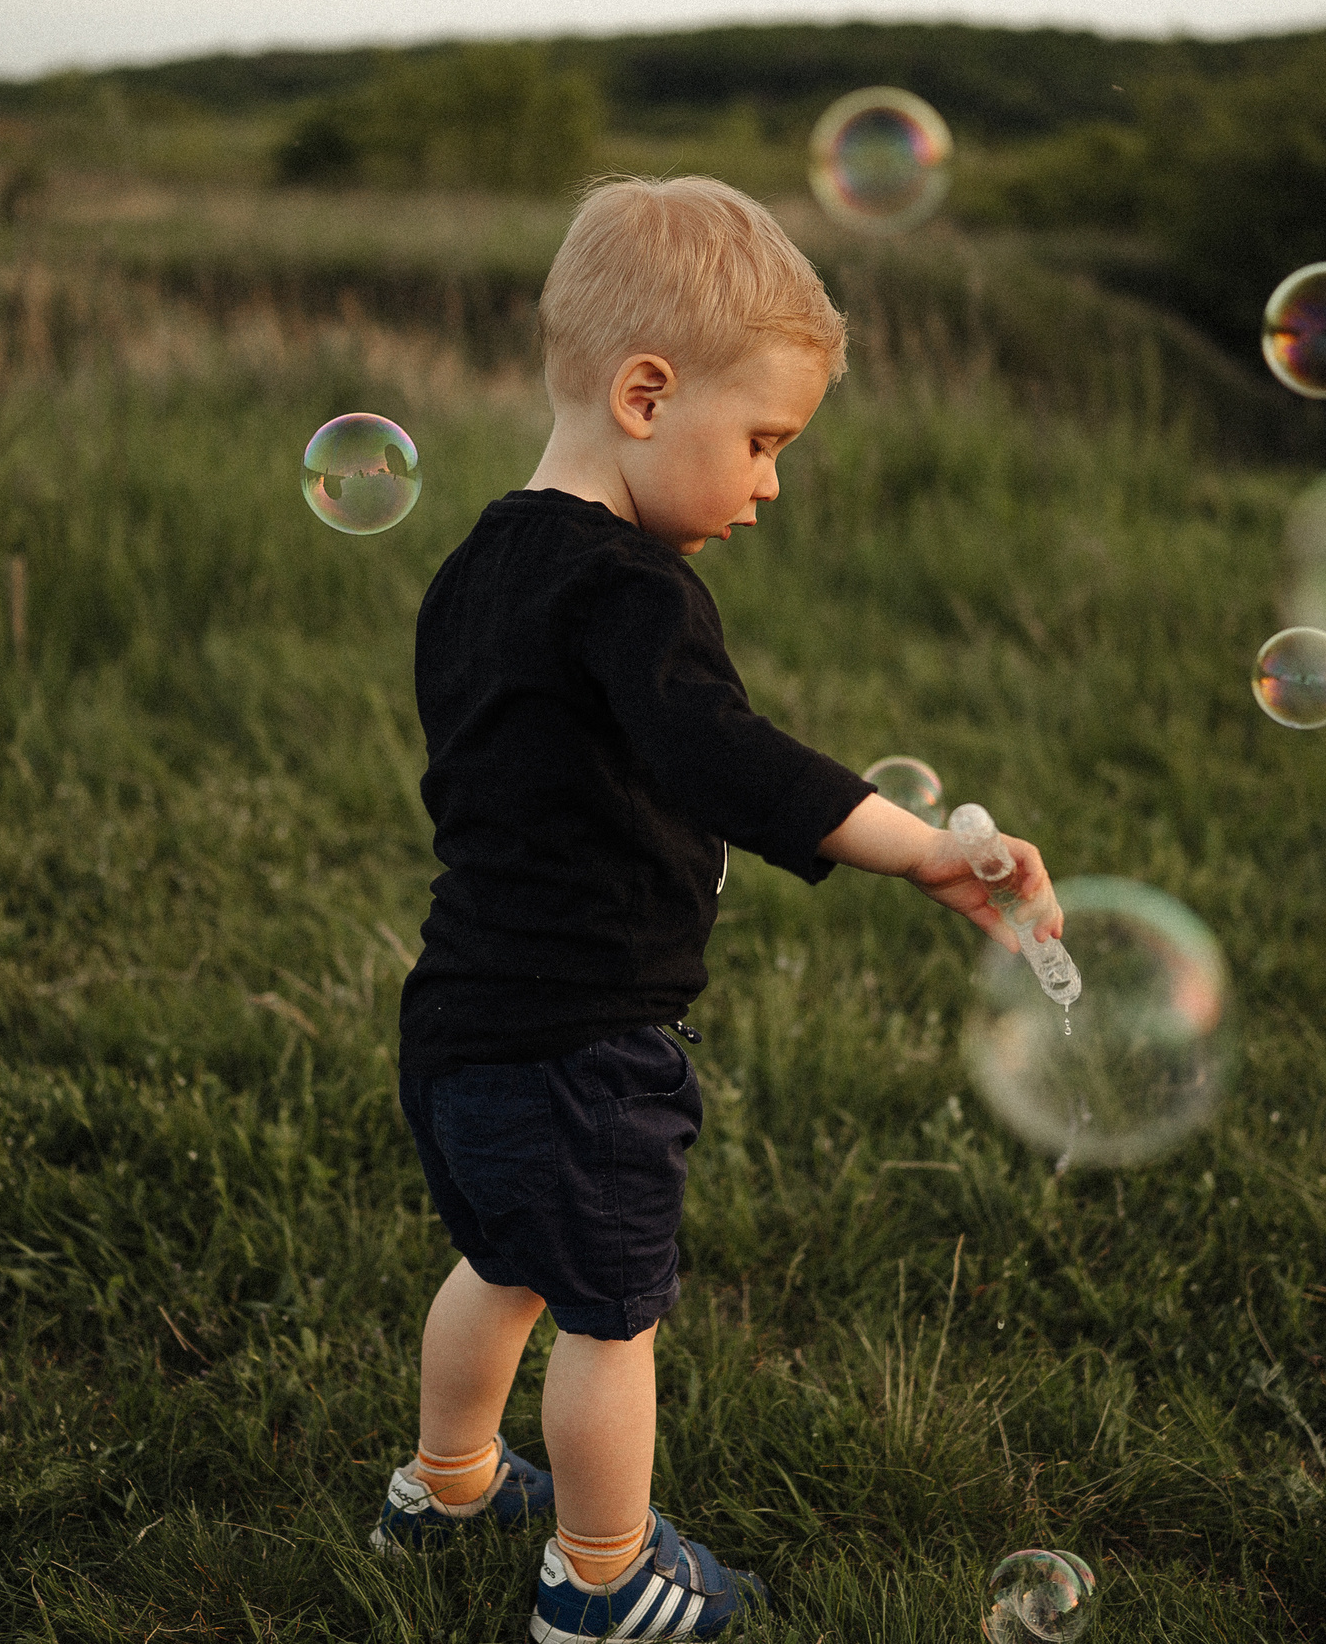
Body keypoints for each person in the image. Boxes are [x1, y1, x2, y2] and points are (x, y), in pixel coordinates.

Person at [374, 173, 1060, 1642]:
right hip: (583, 1042)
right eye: (760, 441)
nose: (766, 485)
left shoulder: (480, 565)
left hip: (462, 1025)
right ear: (643, 393)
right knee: (611, 1317)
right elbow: (718, 753)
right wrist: (922, 846)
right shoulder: (631, 591)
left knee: (500, 1264)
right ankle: (603, 1582)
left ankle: (441, 1486)